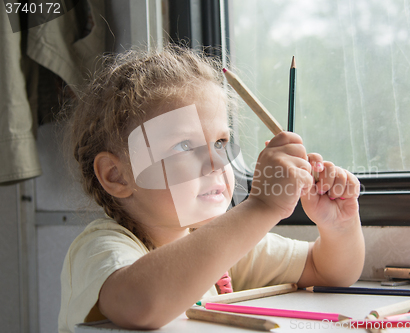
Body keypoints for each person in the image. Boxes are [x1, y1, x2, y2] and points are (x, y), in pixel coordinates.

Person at [58, 44, 365, 333]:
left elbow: (328, 271)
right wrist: (262, 206)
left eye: (220, 142)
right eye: (184, 145)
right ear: (117, 176)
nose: (217, 162)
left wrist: (338, 226)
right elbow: (140, 304)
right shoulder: (101, 247)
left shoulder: (224, 242)